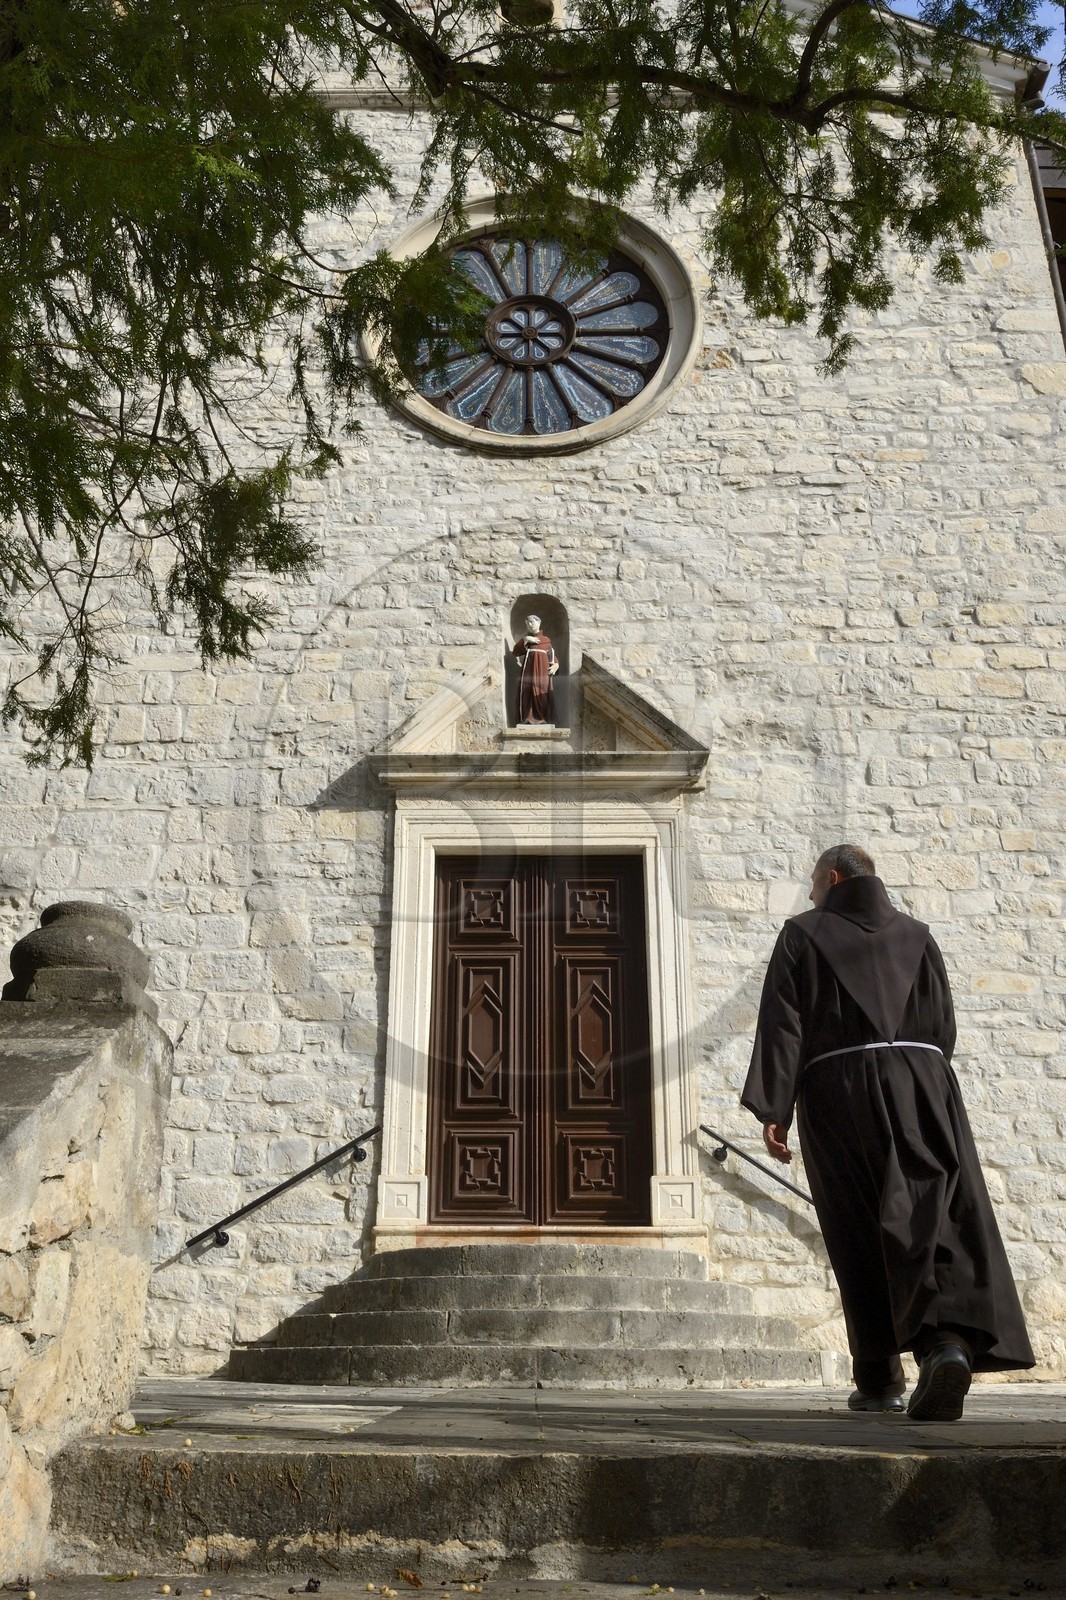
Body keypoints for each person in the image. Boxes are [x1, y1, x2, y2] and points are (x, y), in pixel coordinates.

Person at [741, 843, 1034, 1420]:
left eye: (812, 884)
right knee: (935, 1214)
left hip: (837, 1089)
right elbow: (944, 1025)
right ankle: (944, 1345)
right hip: (924, 1084)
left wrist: (774, 1108)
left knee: (857, 1225)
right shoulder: (919, 936)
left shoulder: (802, 933)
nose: (808, 895)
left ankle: (879, 1379)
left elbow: (784, 1022)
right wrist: (916, 1078)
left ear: (831, 878)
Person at [513, 613, 559, 725]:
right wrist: (525, 639)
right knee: (528, 692)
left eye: (532, 622)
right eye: (527, 623)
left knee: (542, 692)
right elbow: (516, 652)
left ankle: (543, 718)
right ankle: (528, 718)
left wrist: (556, 665)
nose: (529, 625)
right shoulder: (528, 640)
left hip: (543, 671)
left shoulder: (546, 640)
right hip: (529, 671)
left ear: (539, 623)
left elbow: (552, 656)